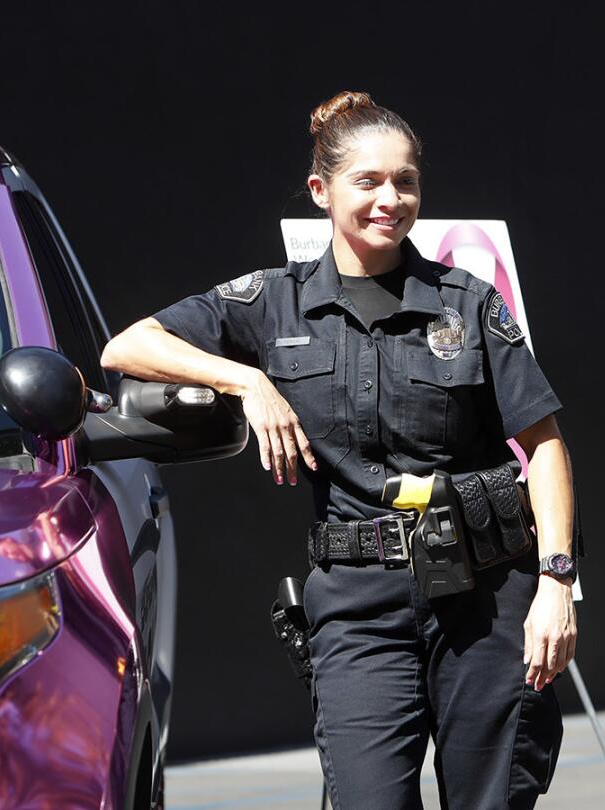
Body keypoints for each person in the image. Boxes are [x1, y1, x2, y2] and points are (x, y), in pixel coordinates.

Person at [100, 91, 577, 809]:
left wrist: (556, 585)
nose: (392, 198)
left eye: (406, 180)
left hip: (486, 593)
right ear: (322, 191)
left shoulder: (468, 302)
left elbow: (544, 447)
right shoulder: (272, 301)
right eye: (370, 181)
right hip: (360, 603)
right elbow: (127, 346)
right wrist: (246, 378)